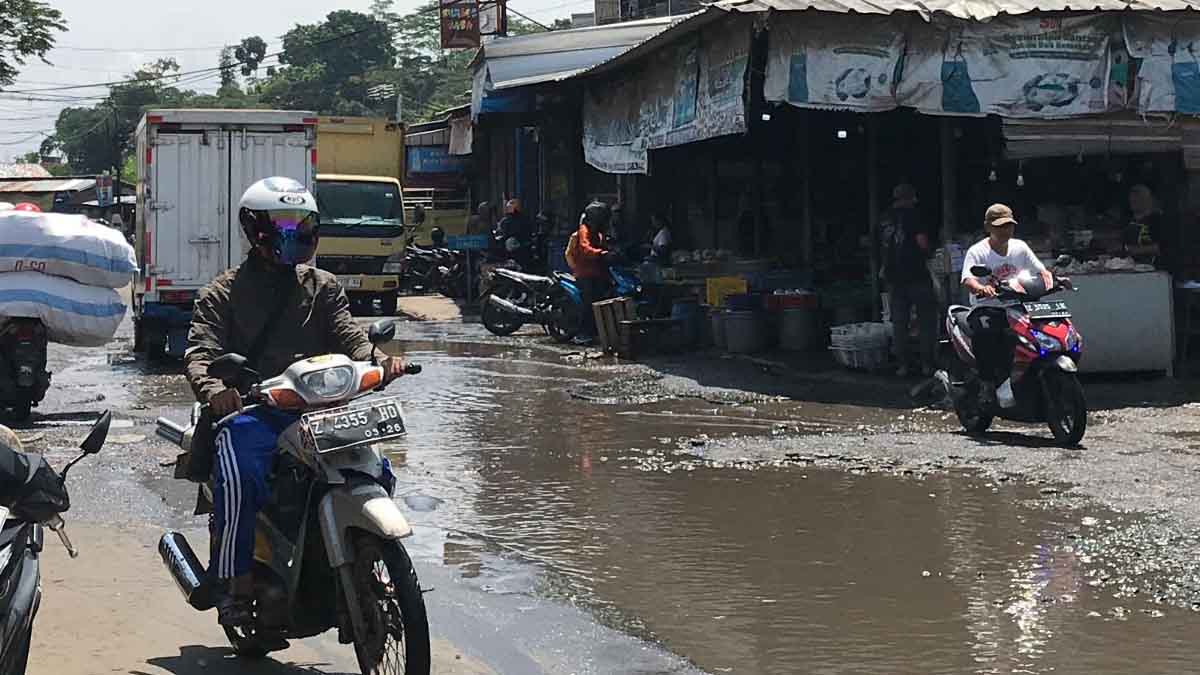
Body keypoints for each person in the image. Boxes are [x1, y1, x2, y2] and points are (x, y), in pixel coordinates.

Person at [184, 177, 408, 627]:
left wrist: (379, 361)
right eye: (287, 223)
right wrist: (216, 392)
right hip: (258, 410)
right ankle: (236, 580)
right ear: (256, 229)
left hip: (323, 407)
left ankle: (361, 558)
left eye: (304, 222)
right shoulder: (223, 293)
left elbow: (350, 336)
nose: (298, 233)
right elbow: (200, 355)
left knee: (377, 467)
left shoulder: (323, 286)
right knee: (240, 473)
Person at [961, 204, 1053, 406]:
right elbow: (967, 279)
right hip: (987, 307)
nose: (1005, 231)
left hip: (1019, 306)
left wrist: (1054, 280)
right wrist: (980, 288)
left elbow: (1040, 271)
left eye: (1008, 226)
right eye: (999, 226)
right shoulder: (977, 252)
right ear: (988, 227)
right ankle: (986, 384)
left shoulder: (1020, 247)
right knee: (987, 333)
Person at [880, 184, 937, 377]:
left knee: (899, 323)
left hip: (894, 277)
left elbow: (878, 246)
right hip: (917, 275)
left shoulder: (884, 218)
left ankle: (902, 366)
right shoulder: (915, 215)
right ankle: (927, 365)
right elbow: (922, 241)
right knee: (926, 321)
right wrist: (930, 253)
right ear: (909, 198)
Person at [574, 201, 616, 345]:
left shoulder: (599, 233)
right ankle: (582, 333)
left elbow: (606, 244)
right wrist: (601, 253)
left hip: (598, 272)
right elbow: (585, 248)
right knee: (589, 302)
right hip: (586, 273)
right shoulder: (584, 231)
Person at [1124, 184, 1167, 267]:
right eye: (1132, 199)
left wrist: (1134, 250)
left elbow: (1162, 246)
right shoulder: (1129, 220)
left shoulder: (1158, 220)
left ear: (1149, 200)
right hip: (1128, 266)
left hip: (1153, 268)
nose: (1134, 202)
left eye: (1138, 198)